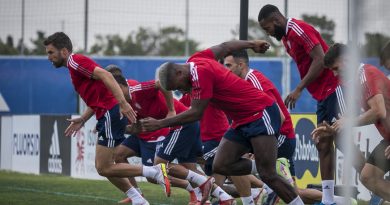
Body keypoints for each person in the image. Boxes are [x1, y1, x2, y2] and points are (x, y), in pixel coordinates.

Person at [141, 39, 305, 205]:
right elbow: (225, 47)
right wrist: (251, 44)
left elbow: (196, 113)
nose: (181, 90)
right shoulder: (195, 59)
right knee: (221, 165)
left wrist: (159, 123)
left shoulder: (200, 75)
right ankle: (269, 168)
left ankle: (272, 174)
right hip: (241, 120)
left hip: (260, 113)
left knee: (268, 175)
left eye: (178, 86)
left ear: (179, 73)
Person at [43, 32, 170, 205]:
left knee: (104, 167)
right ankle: (137, 198)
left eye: (51, 52)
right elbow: (98, 94)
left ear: (64, 51)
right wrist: (83, 118)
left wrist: (123, 103)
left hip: (111, 112)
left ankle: (153, 173)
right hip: (107, 113)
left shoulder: (75, 61)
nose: (48, 57)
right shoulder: (74, 66)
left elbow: (106, 76)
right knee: (104, 166)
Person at [257, 5, 365, 205]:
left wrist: (299, 88)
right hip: (321, 95)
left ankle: (372, 183)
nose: (268, 33)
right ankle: (328, 199)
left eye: (267, 28)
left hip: (335, 88)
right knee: (322, 143)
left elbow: (320, 59)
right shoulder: (286, 39)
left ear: (276, 20)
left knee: (342, 141)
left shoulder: (298, 30)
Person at [312, 43, 390, 203]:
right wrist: (333, 128)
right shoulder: (353, 82)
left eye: (335, 68)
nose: (334, 75)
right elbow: (351, 115)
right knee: (368, 176)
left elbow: (378, 111)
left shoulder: (366, 74)